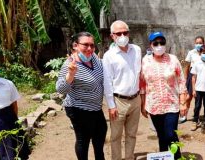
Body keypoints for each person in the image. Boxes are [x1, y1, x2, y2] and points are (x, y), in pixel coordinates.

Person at [56, 32, 107, 160]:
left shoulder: (93, 57)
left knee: (100, 133)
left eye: (92, 45)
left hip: (96, 107)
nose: (89, 48)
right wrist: (70, 75)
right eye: (85, 45)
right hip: (78, 108)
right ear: (75, 46)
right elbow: (60, 89)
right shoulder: (70, 65)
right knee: (83, 140)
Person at [140, 31, 187, 159]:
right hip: (154, 105)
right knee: (161, 136)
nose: (159, 45)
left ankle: (176, 157)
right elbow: (142, 84)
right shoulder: (145, 61)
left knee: (171, 134)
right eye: (156, 43)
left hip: (171, 104)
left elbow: (182, 80)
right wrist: (143, 104)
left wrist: (183, 103)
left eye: (162, 42)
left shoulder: (173, 59)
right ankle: (165, 157)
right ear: (151, 45)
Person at [102, 20, 142, 160]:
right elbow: (107, 82)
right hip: (119, 101)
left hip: (136, 99)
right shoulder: (109, 56)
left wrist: (141, 97)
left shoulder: (136, 50)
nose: (122, 36)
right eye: (118, 33)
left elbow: (139, 73)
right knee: (116, 136)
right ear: (112, 36)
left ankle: (130, 157)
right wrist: (111, 105)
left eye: (125, 32)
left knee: (132, 134)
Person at [0, 53, 28, 160]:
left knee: (13, 153)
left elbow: (14, 106)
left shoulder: (8, 84)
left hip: (9, 122)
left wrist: (13, 122)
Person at [181, 36, 205, 123]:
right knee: (188, 97)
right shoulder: (191, 52)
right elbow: (187, 66)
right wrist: (185, 77)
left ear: (204, 43)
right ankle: (184, 115)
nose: (198, 44)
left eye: (200, 43)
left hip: (201, 77)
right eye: (197, 43)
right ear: (194, 43)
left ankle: (196, 117)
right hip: (192, 76)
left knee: (198, 98)